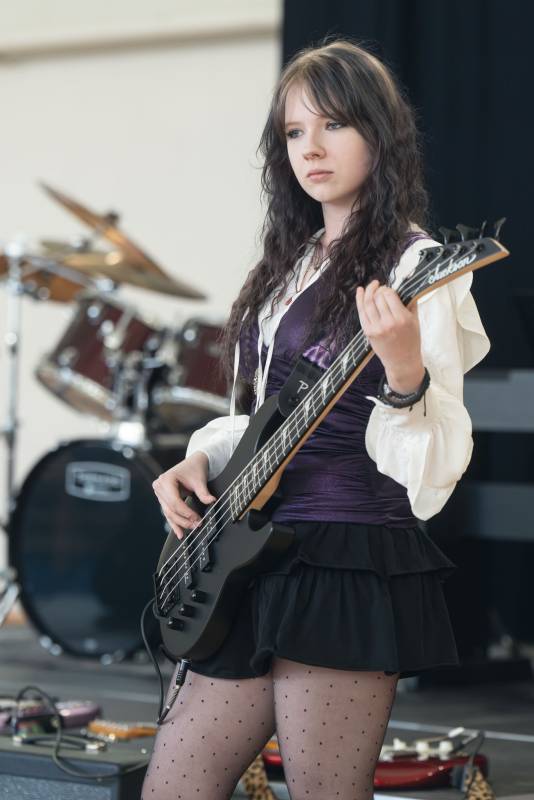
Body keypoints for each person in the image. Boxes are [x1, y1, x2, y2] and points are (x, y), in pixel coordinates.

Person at [142, 35, 490, 800]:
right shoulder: (289, 266)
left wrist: (404, 372)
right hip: (247, 553)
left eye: (334, 125)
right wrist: (199, 459)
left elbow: (435, 466)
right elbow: (259, 417)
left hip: (345, 560)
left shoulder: (416, 266)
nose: (312, 148)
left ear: (379, 134)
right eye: (295, 131)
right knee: (172, 786)